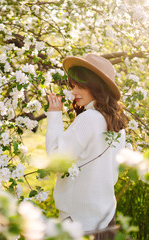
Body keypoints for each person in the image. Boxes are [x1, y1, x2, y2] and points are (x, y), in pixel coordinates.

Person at [46, 54, 127, 239]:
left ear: (97, 88)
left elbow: (56, 160)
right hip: (105, 218)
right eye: (73, 86)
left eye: (81, 86)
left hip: (79, 222)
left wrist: (54, 115)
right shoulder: (116, 122)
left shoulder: (90, 119)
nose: (74, 92)